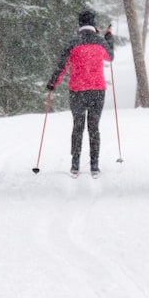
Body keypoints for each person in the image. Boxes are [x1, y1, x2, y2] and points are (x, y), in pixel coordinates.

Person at [47, 9, 114, 176]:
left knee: (78, 127)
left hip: (77, 91)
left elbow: (62, 67)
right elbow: (109, 57)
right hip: (97, 90)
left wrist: (52, 84)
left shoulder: (73, 43)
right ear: (94, 24)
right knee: (94, 127)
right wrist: (109, 40)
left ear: (80, 24)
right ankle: (94, 164)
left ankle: (75, 164)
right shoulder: (100, 42)